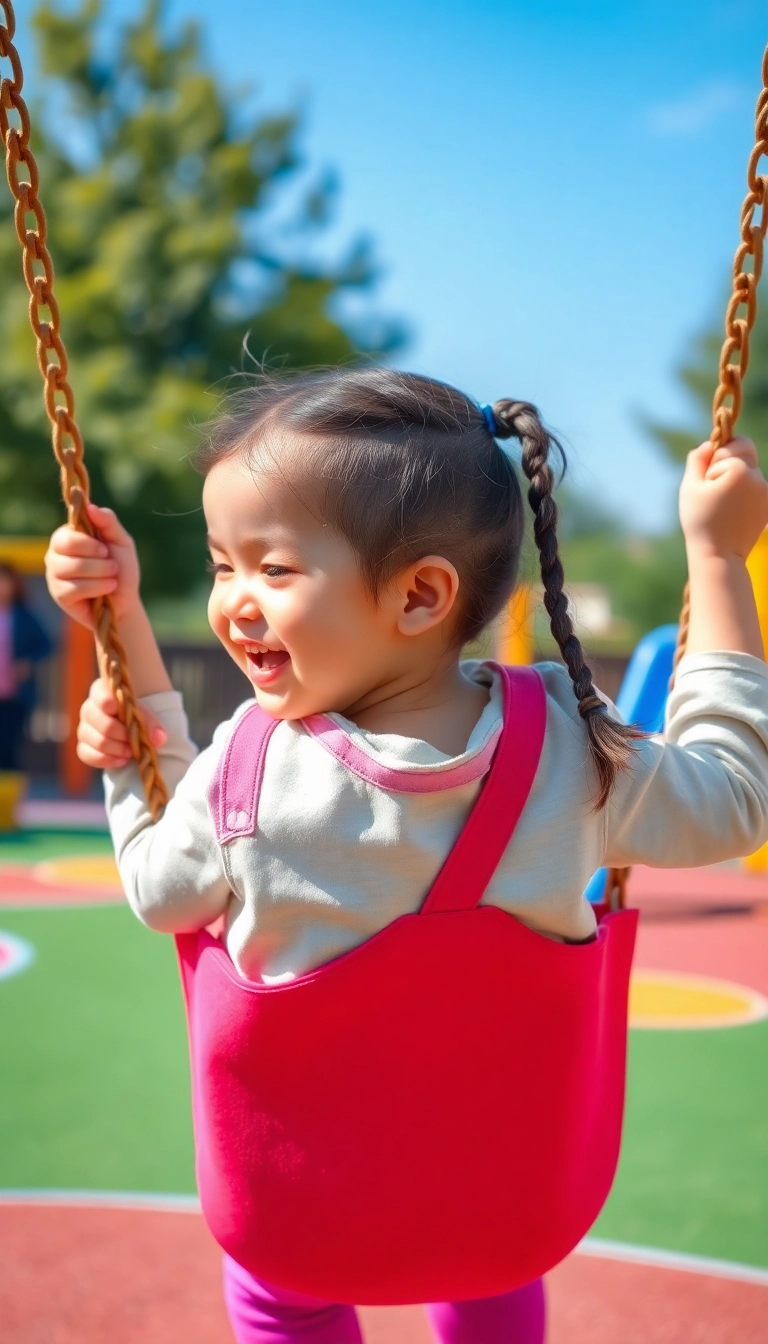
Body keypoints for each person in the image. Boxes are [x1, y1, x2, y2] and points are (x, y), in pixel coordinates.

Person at [45, 371, 768, 1344]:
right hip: (516, 1216)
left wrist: (132, 726)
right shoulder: (569, 743)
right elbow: (734, 795)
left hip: (296, 1221)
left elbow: (159, 892)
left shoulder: (245, 775)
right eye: (224, 567)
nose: (234, 605)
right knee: (484, 1263)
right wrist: (718, 558)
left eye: (272, 569)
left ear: (421, 595)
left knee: (279, 1295)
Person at [0, 561, 53, 772]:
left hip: (15, 695)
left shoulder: (24, 616)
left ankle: (7, 797)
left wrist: (28, 660)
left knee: (7, 747)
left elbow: (46, 644)